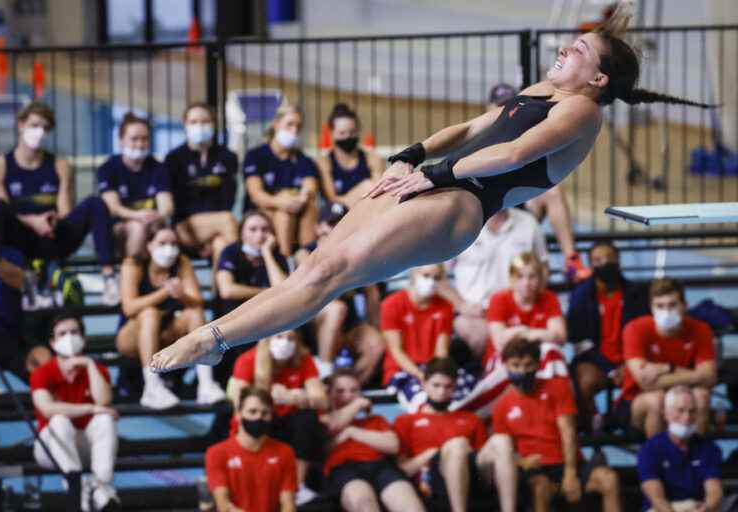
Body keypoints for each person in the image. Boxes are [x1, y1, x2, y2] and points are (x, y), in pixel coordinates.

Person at [150, 9, 714, 373]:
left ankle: (216, 342)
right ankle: (215, 334)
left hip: (460, 204)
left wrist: (439, 174)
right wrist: (416, 153)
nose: (566, 48)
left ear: (598, 79)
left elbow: (513, 154)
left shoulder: (581, 113)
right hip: (435, 178)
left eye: (580, 50)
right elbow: (473, 128)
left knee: (330, 276)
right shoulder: (544, 86)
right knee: (314, 264)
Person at [0, 101, 118, 304]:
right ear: (21, 125)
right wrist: (32, 221)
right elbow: (2, 209)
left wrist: (51, 220)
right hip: (20, 238)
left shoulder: (60, 165)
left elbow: (65, 211)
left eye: (45, 128)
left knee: (95, 203)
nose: (39, 132)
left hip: (53, 235)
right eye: (35, 125)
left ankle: (109, 279)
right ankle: (15, 280)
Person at [492, 337, 621, 512]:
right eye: (516, 365)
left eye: (528, 365)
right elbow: (503, 450)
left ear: (538, 365)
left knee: (609, 479)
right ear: (506, 365)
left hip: (568, 463)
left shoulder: (558, 387)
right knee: (541, 486)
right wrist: (521, 462)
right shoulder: (501, 405)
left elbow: (568, 431)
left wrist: (570, 473)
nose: (522, 371)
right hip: (534, 469)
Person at [486, 83, 590, 283]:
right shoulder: (485, 132)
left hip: (519, 199)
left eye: (507, 105)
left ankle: (571, 259)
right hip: (491, 198)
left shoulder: (524, 128)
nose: (502, 110)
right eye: (498, 105)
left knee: (553, 192)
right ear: (488, 108)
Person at [451, 252, 569, 418]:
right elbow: (500, 342)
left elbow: (560, 336)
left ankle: (561, 412)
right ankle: (466, 414)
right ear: (512, 279)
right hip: (502, 359)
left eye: (532, 276)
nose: (526, 283)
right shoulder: (500, 299)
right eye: (520, 277)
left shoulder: (548, 298)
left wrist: (521, 331)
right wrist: (538, 333)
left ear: (540, 278)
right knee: (526, 358)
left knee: (552, 353)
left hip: (536, 359)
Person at [116, 226, 222, 409]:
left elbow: (196, 301)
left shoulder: (181, 262)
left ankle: (206, 383)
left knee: (194, 313)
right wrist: (165, 292)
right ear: (149, 245)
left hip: (165, 333)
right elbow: (129, 307)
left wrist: (181, 295)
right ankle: (152, 386)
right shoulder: (133, 264)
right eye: (162, 243)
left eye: (173, 243)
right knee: (149, 313)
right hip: (132, 336)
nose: (169, 248)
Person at [394, 357, 517, 512]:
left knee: (502, 440)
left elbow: (484, 460)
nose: (441, 392)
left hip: (473, 477)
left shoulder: (470, 419)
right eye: (436, 385)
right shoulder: (406, 421)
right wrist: (429, 455)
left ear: (455, 387)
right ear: (424, 385)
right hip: (433, 480)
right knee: (457, 444)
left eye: (448, 386)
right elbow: (401, 471)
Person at [30, 312, 120, 512]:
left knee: (105, 419)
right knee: (59, 420)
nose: (69, 338)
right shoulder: (42, 373)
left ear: (83, 337)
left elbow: (104, 401)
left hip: (84, 444)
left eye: (74, 332)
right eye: (62, 334)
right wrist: (89, 408)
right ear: (52, 342)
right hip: (51, 448)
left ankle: (101, 487)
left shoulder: (97, 369)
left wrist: (88, 364)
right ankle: (74, 484)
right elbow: (47, 408)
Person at [227, 330, 327, 505]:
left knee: (308, 418)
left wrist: (293, 396)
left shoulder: (304, 359)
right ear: (268, 339)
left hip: (289, 423)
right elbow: (240, 405)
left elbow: (322, 401)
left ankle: (297, 487)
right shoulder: (248, 360)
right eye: (279, 337)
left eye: (290, 338)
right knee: (253, 419)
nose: (285, 342)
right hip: (262, 420)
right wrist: (270, 398)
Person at [438, 207, 549, 356]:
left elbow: (543, 269)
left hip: (518, 310)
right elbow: (435, 275)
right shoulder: (461, 224)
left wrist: (528, 304)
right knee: (478, 335)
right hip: (476, 314)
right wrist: (461, 305)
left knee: (542, 340)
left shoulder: (528, 223)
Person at [0, 209, 51, 412]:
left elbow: (21, 282)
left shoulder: (9, 254)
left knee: (45, 363)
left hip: (14, 338)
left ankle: (56, 425)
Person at [295, 202, 384, 383]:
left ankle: (348, 387)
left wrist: (374, 326)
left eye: (341, 223)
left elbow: (371, 292)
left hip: (348, 324)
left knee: (376, 343)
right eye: (331, 224)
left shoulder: (358, 252)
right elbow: (315, 283)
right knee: (336, 309)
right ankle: (326, 373)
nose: (336, 229)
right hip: (312, 319)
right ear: (318, 228)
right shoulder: (304, 253)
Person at [617, 277, 717, 438]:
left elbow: (709, 377)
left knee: (702, 395)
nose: (666, 311)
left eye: (672, 305)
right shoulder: (634, 329)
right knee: (657, 399)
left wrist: (665, 369)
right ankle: (657, 459)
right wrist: (685, 372)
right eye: (660, 306)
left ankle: (698, 458)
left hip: (684, 395)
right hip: (636, 400)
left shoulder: (701, 329)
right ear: (651, 308)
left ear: (684, 306)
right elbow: (645, 383)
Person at [568, 241, 649, 432]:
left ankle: (630, 423)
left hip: (631, 359)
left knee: (649, 377)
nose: (605, 263)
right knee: (584, 382)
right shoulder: (581, 296)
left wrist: (629, 363)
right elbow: (580, 342)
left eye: (610, 259)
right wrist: (611, 370)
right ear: (591, 265)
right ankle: (593, 430)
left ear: (619, 262)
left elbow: (643, 333)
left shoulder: (636, 293)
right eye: (598, 260)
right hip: (596, 361)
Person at [322, 369, 425, 512]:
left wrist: (351, 432)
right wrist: (357, 405)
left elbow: (393, 445)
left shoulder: (375, 420)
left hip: (381, 467)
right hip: (344, 469)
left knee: (410, 505)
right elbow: (327, 439)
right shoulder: (325, 419)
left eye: (354, 390)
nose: (348, 395)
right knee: (363, 501)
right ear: (330, 394)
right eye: (340, 391)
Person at [381, 264, 475, 411]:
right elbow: (396, 351)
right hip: (402, 369)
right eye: (426, 275)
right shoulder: (391, 304)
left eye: (437, 277)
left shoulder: (445, 306)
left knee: (463, 394)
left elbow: (441, 352)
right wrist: (421, 375)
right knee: (427, 404)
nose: (431, 281)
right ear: (413, 274)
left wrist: (438, 375)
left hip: (432, 368)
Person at [213, 210, 289, 378]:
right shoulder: (231, 252)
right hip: (233, 317)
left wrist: (267, 254)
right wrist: (266, 293)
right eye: (253, 229)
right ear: (242, 233)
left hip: (267, 320)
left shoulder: (277, 257)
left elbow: (285, 291)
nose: (259, 235)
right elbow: (227, 290)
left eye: (264, 229)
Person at [165, 102, 239, 269]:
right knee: (227, 220)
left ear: (214, 124)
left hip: (218, 225)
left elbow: (228, 198)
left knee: (220, 244)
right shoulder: (174, 159)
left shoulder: (227, 157)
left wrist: (211, 232)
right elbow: (177, 204)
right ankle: (242, 277)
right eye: (194, 122)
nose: (200, 126)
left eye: (205, 121)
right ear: (185, 125)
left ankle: (222, 293)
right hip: (186, 228)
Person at [243, 104, 319, 257]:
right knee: (284, 212)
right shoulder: (255, 155)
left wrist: (302, 198)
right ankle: (286, 261)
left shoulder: (303, 159)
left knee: (310, 207)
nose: (294, 130)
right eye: (289, 124)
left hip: (294, 209)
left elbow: (310, 187)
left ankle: (308, 257)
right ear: (275, 124)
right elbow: (256, 194)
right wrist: (282, 201)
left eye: (298, 126)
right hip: (262, 211)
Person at [206, 386, 297, 512]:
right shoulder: (216, 453)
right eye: (252, 411)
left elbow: (288, 504)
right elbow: (224, 505)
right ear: (238, 414)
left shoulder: (285, 452)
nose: (258, 417)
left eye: (265, 413)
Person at [98, 112, 174, 259]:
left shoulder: (159, 168)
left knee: (161, 231)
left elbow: (167, 207)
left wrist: (155, 216)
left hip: (151, 224)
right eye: (134, 139)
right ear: (121, 141)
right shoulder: (108, 168)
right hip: (118, 229)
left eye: (144, 139)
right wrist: (137, 215)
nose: (140, 144)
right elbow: (113, 208)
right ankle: (129, 275)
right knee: (137, 228)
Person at [638, 385, 723, 512]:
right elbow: (656, 497)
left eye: (692, 411)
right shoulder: (649, 449)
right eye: (681, 410)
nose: (687, 417)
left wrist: (707, 508)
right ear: (666, 413)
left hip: (696, 507)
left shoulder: (710, 448)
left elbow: (714, 490)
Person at [316, 103, 385, 208]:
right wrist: (363, 190)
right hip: (337, 215)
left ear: (358, 131)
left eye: (352, 132)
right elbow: (332, 199)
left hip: (367, 210)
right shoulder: (325, 162)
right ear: (331, 133)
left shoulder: (372, 158)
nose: (348, 137)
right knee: (368, 185)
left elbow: (379, 193)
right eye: (342, 133)